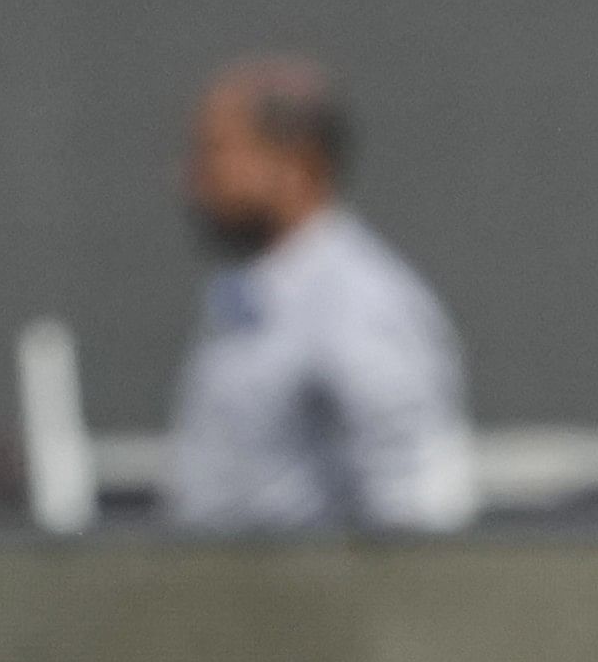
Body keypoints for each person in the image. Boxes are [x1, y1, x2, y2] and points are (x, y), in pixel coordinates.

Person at [164, 55, 476, 531]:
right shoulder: (253, 293)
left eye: (216, 151)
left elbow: (415, 506)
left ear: (298, 162)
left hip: (313, 603)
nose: (194, 180)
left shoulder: (363, 303)